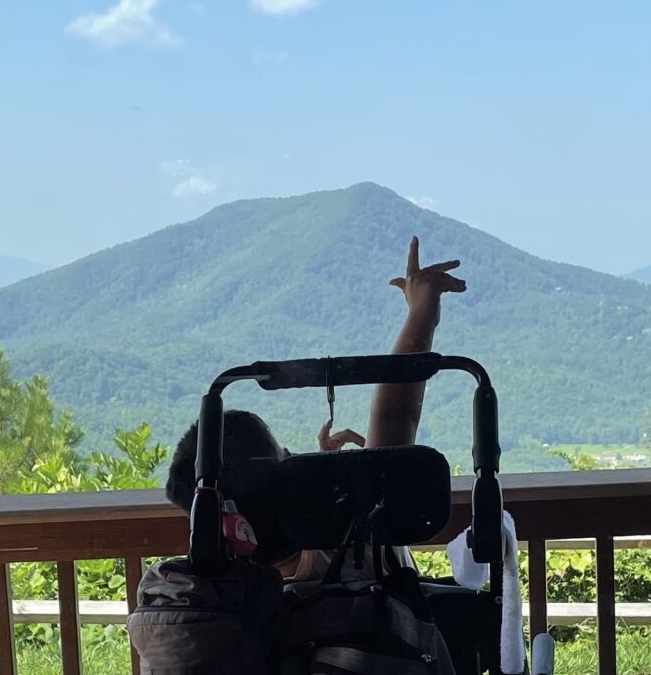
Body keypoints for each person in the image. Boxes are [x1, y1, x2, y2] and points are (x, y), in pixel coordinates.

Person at [161, 238, 465, 576]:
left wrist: (328, 481)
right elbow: (397, 413)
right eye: (288, 459)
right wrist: (422, 311)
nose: (294, 455)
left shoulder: (220, 597)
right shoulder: (361, 545)